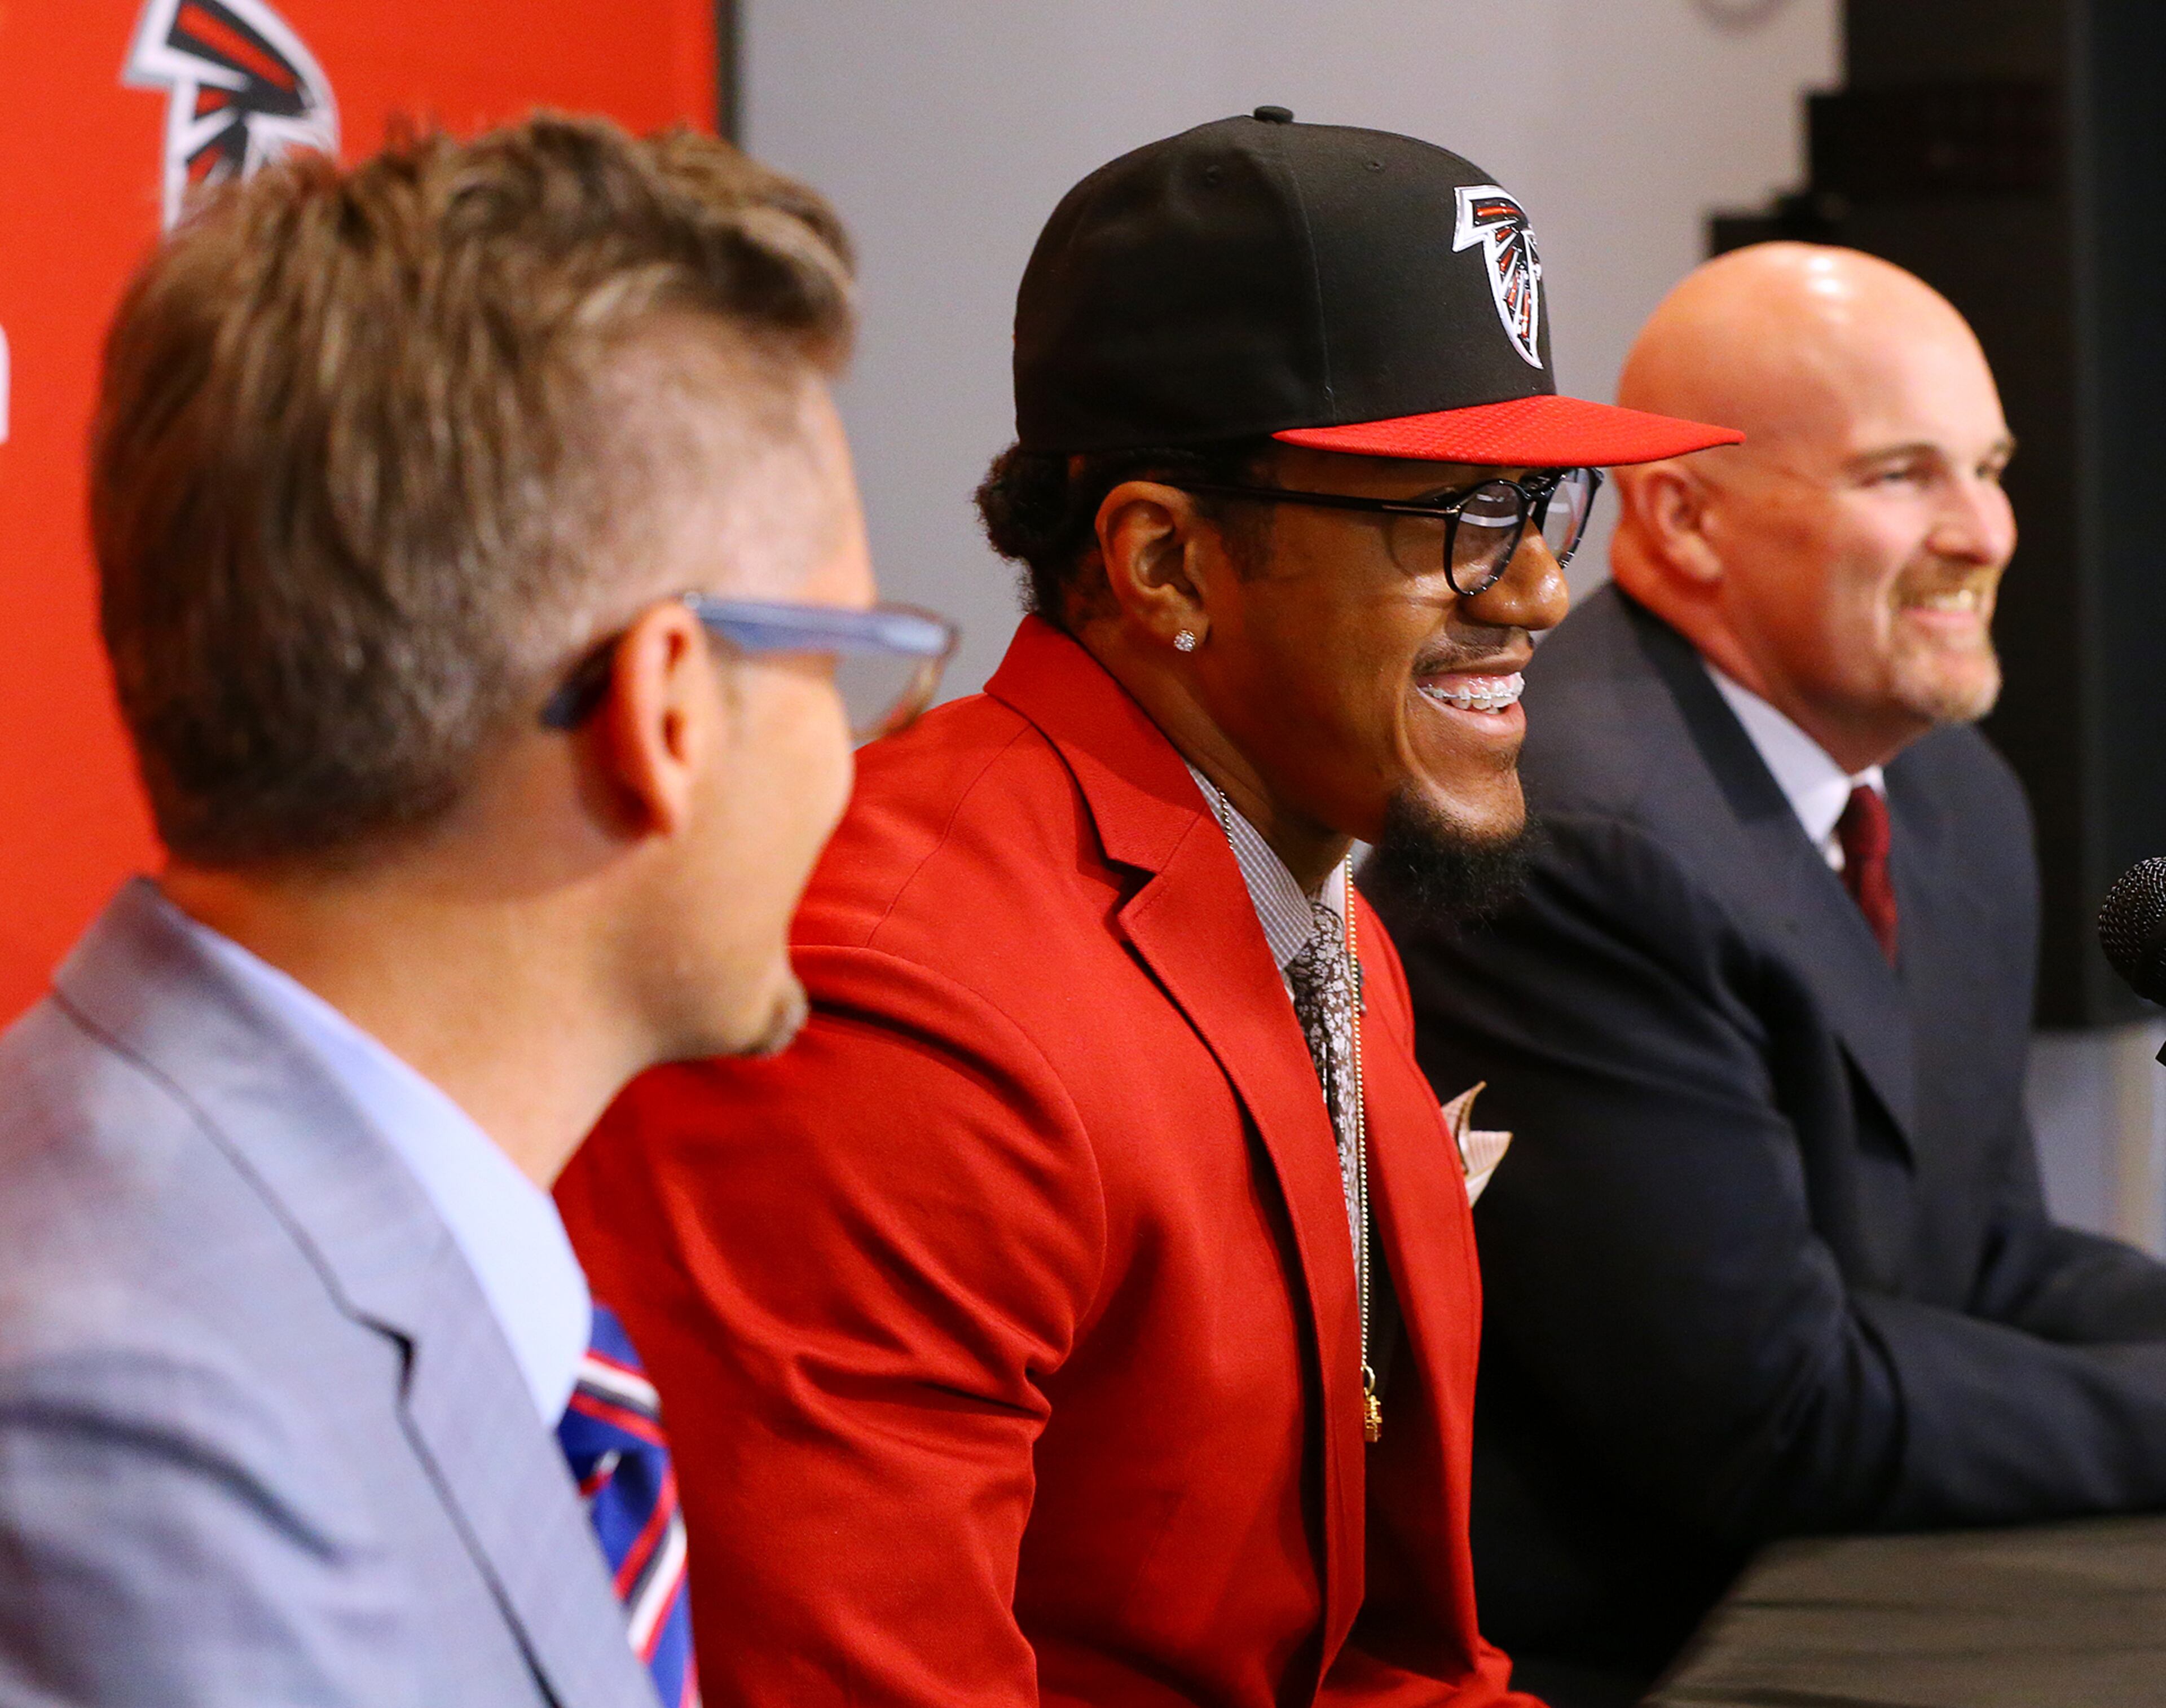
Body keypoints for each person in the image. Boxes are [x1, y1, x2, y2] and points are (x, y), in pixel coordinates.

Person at [556, 108, 1736, 1707]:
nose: (1533, 588)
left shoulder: (1331, 921)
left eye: (1539, 509)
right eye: (1448, 514)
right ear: (1167, 562)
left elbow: (1397, 1669)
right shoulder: (894, 994)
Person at [0, 114, 955, 1706]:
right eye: (843, 658)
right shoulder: (142, 1432)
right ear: (669, 711)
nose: (863, 749)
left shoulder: (245, 1237)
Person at [1369, 242, 2166, 1703]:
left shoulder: (1951, 794)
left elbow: (1980, 1250)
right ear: (1681, 518)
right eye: (1900, 476)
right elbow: (1761, 1411)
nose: (1985, 529)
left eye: (1989, 466)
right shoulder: (1574, 837)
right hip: (1630, 1657)